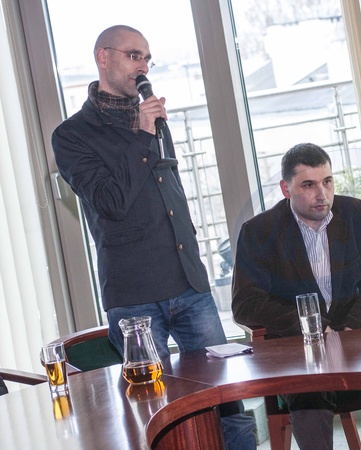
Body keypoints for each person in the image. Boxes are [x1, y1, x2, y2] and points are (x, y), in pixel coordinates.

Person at [51, 25, 256, 449]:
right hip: (134, 297)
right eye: (133, 55)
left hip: (189, 284)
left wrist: (149, 130)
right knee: (154, 409)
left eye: (147, 58)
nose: (143, 66)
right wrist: (144, 134)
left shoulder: (153, 120)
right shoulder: (72, 134)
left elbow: (167, 193)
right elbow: (111, 202)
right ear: (103, 58)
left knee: (228, 400)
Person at [232, 143, 361, 450]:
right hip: (299, 353)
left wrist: (354, 326)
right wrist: (312, 327)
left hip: (356, 343)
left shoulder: (355, 213)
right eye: (309, 185)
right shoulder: (259, 231)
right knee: (309, 397)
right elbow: (246, 303)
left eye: (327, 181)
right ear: (286, 189)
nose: (322, 194)